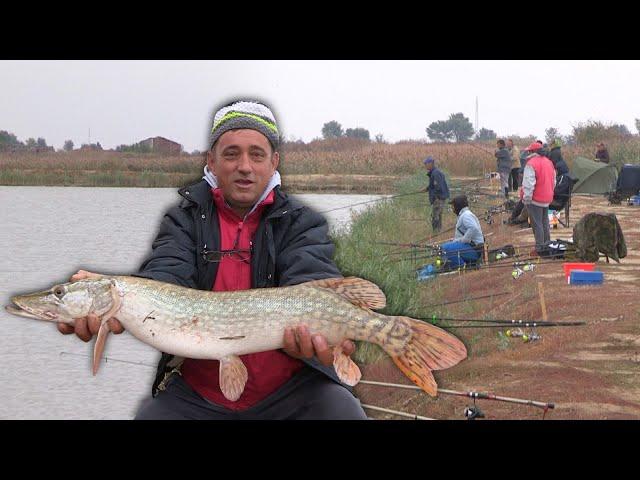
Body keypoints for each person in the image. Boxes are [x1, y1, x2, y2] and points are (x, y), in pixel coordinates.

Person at [57, 99, 368, 420]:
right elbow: (164, 279)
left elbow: (311, 278)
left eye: (257, 154)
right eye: (231, 154)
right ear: (212, 161)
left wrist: (318, 335)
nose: (244, 166)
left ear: (274, 162)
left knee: (342, 411)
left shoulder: (302, 222)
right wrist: (123, 305)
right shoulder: (183, 221)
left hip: (289, 388)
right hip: (199, 393)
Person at [522, 142, 556, 256]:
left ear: (532, 152)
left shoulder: (531, 164)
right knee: (545, 222)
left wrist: (527, 198)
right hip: (547, 197)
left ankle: (540, 248)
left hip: (535, 198)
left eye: (529, 151)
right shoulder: (549, 162)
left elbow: (529, 183)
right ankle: (547, 245)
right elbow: (554, 180)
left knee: (537, 224)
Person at [439, 195, 484, 270]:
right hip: (471, 247)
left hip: (474, 249)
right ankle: (457, 265)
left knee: (445, 248)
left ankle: (461, 267)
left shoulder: (466, 215)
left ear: (458, 206)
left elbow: (473, 227)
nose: (452, 208)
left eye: (453, 206)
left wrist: (464, 240)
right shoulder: (464, 215)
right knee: (444, 247)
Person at [423, 156, 450, 233]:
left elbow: (438, 187)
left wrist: (436, 198)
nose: (425, 165)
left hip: (438, 198)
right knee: (438, 214)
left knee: (435, 215)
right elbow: (433, 185)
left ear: (431, 163)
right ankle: (438, 231)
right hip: (439, 197)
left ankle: (436, 232)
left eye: (426, 163)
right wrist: (427, 189)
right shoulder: (435, 172)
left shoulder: (435, 173)